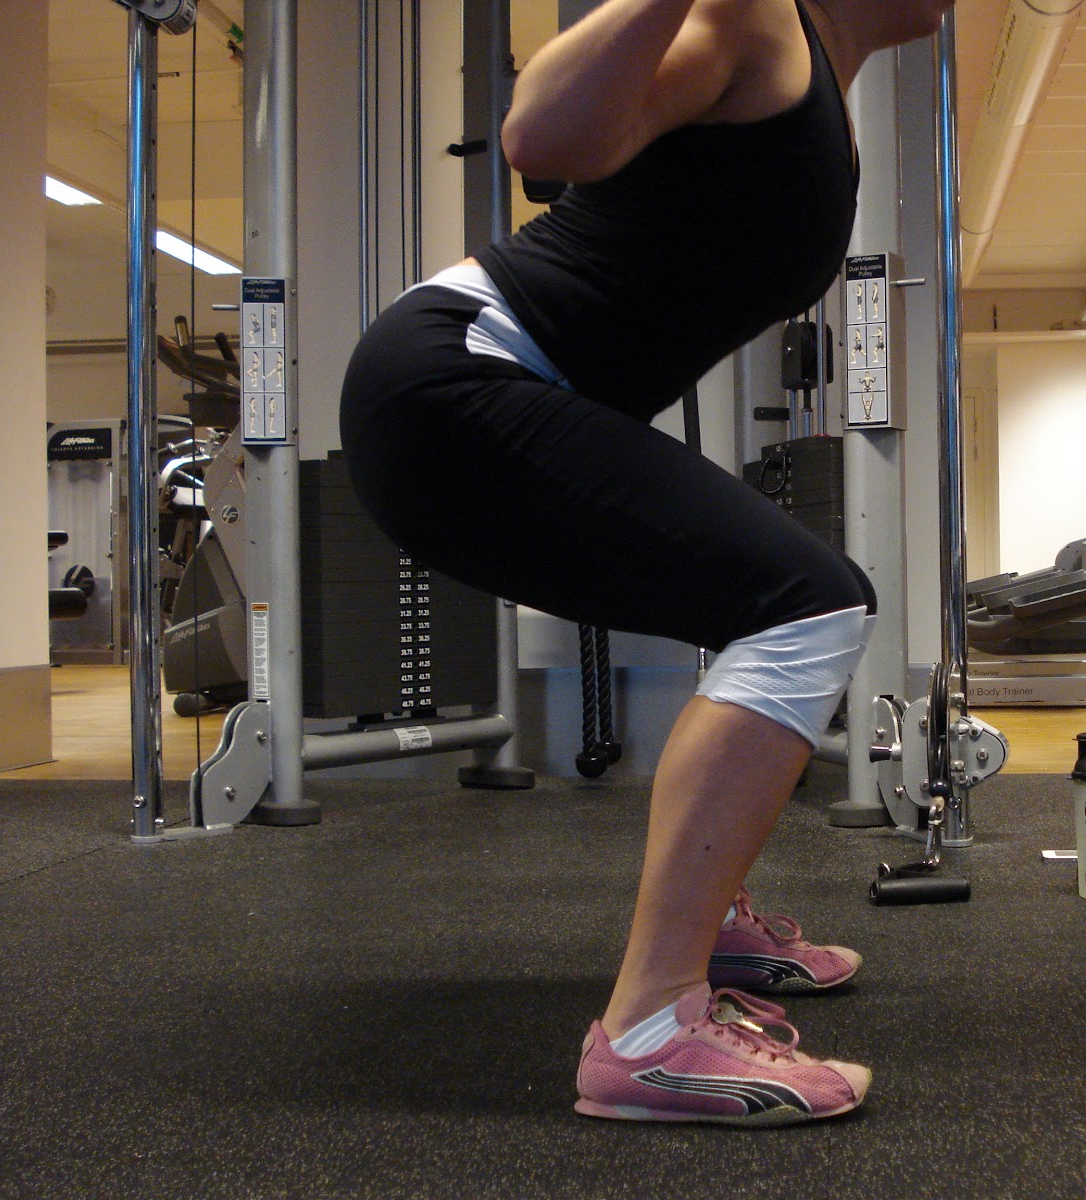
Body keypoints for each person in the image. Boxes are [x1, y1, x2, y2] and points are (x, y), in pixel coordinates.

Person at [339, 0, 956, 1126]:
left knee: (774, 602)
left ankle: (703, 921)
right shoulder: (748, 16)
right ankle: (650, 1032)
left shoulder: (813, 75)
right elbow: (541, 138)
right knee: (808, 604)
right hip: (454, 385)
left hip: (479, 390)